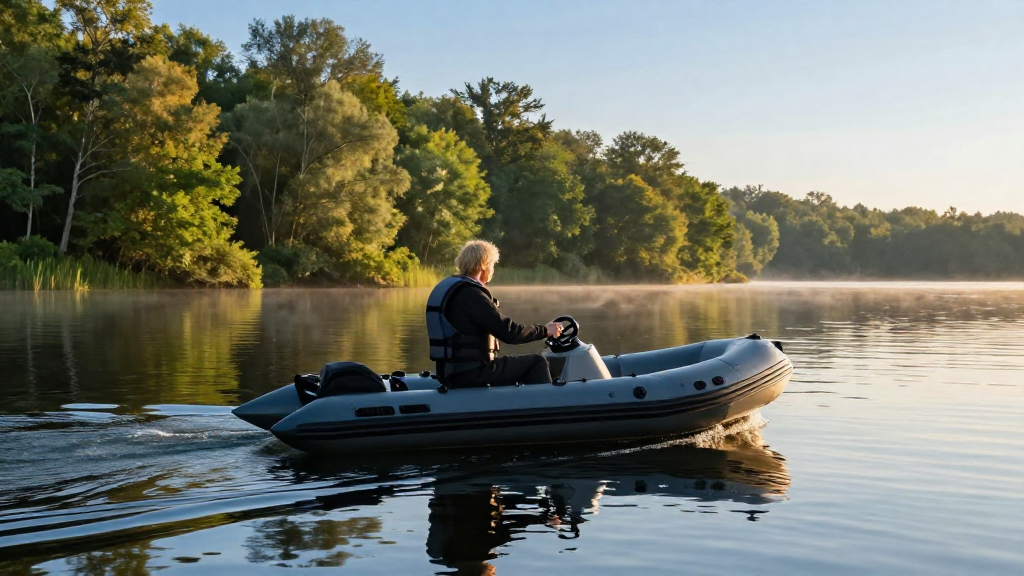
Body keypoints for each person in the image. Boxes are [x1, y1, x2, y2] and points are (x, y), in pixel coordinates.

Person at [426, 240, 563, 388]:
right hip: (471, 373)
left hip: (449, 372)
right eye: (492, 265)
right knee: (537, 362)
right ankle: (543, 407)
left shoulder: (453, 289)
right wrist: (544, 330)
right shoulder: (472, 294)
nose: (493, 269)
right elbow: (509, 332)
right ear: (484, 265)